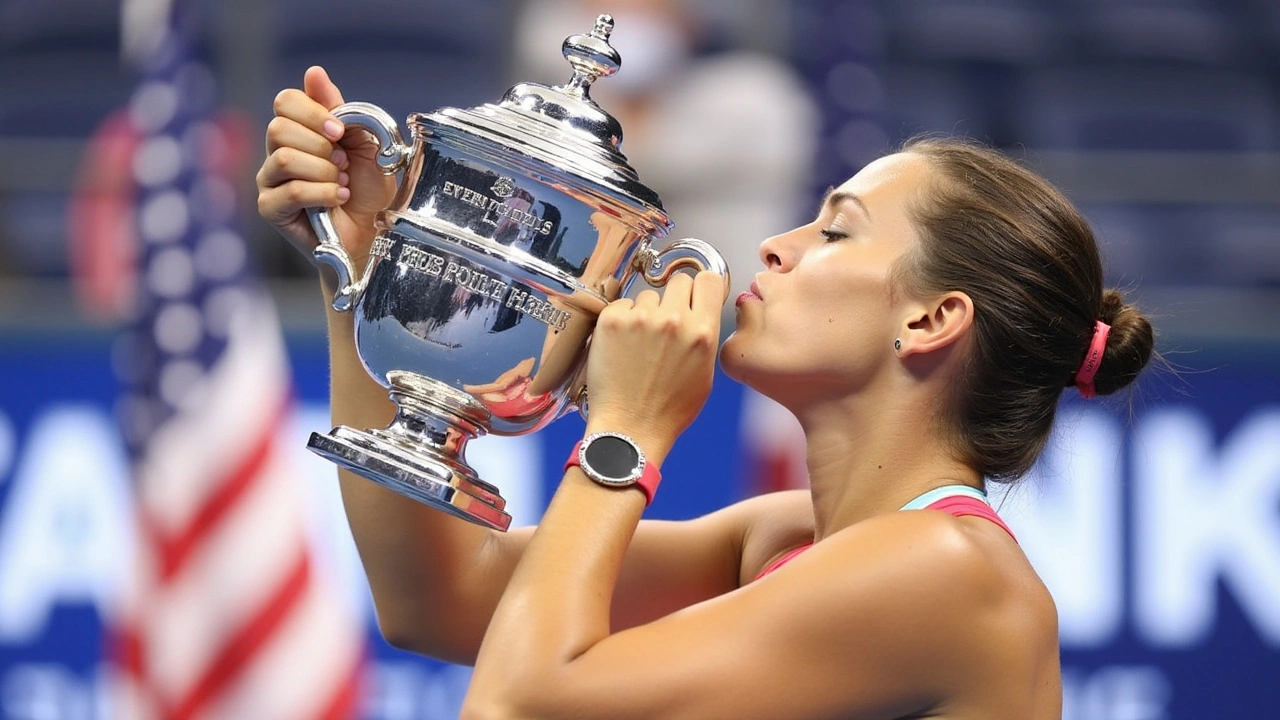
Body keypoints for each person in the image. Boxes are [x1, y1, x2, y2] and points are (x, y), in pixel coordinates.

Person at [256, 66, 1154, 719]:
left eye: (836, 231)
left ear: (930, 321)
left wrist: (625, 435)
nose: (776, 245)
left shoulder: (949, 575)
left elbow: (517, 707)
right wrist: (370, 268)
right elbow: (436, 601)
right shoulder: (788, 538)